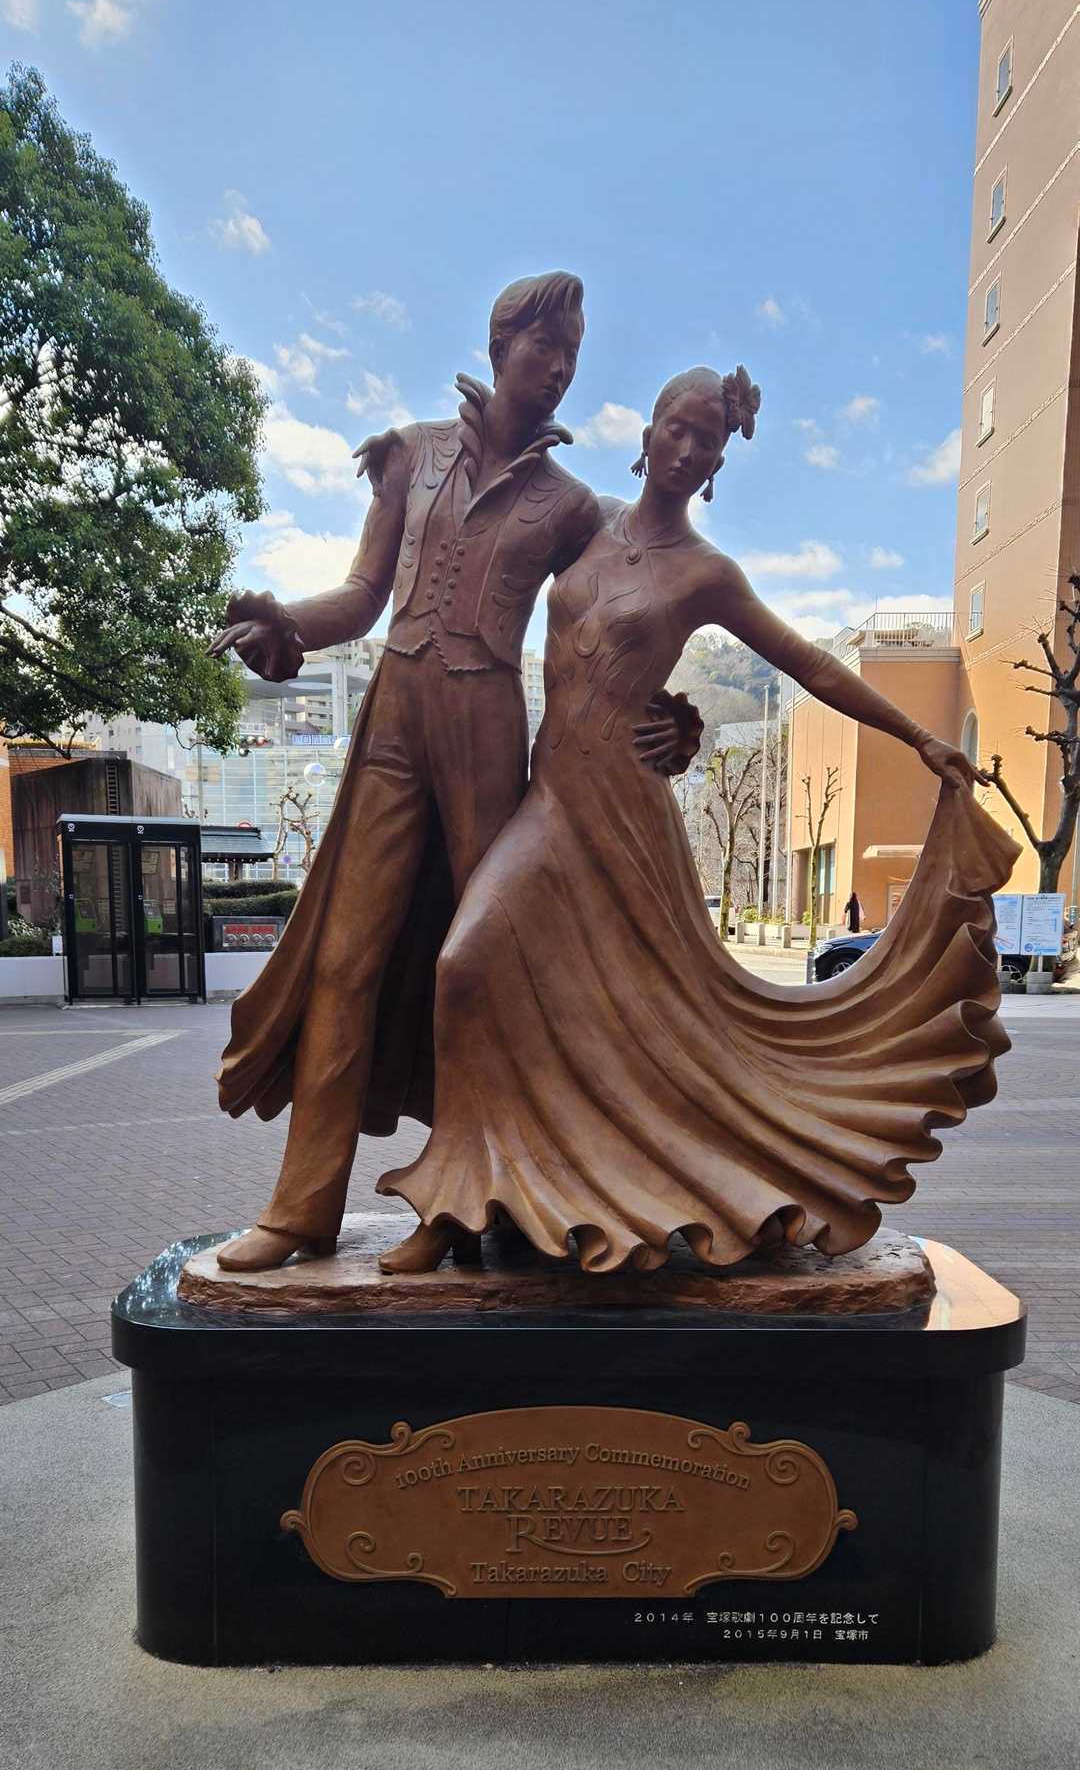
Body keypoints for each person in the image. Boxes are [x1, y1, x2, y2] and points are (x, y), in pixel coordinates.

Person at [379, 363, 1019, 1274]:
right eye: (675, 429)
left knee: (652, 1028)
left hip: (626, 819)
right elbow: (497, 529)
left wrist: (919, 737)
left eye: (706, 442)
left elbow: (809, 663)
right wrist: (444, 451)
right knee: (467, 965)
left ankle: (599, 1197)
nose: (685, 450)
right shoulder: (586, 524)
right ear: (646, 434)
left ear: (718, 464)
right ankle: (461, 1205)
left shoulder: (708, 574)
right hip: (549, 800)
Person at [209, 273, 601, 1272]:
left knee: (480, 969)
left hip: (487, 724)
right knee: (345, 960)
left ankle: (462, 1206)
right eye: (545, 346)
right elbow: (362, 594)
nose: (559, 368)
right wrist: (287, 624)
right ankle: (303, 1209)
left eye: (573, 354)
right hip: (394, 712)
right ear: (500, 345)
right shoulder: (412, 455)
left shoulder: (570, 508)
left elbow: (613, 622)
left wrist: (657, 713)